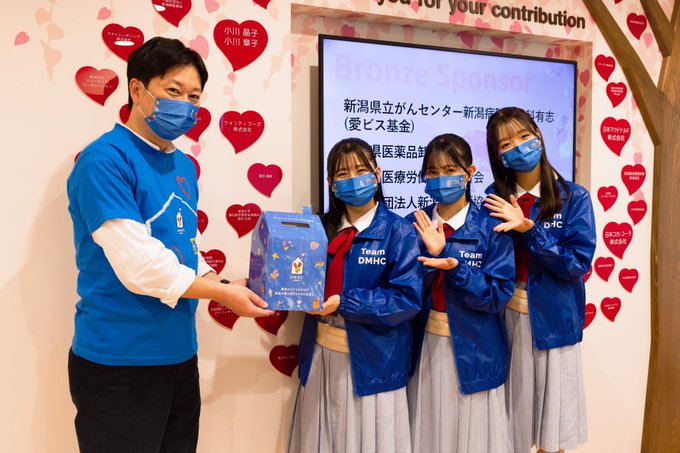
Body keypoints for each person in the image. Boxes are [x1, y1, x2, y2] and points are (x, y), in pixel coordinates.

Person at [66, 37, 273, 453]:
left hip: (179, 356)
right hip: (119, 361)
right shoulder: (104, 161)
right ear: (137, 89)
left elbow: (184, 246)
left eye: (194, 97)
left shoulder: (182, 165)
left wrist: (220, 280)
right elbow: (141, 266)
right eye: (173, 91)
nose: (185, 105)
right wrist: (220, 294)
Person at [288, 138, 422, 453]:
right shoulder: (318, 229)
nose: (354, 180)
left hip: (375, 363)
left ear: (377, 174)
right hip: (321, 356)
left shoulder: (399, 231)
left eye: (361, 171)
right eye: (343, 174)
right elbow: (298, 280)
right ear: (331, 185)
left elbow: (406, 300)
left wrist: (345, 303)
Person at [482, 107, 596, 453]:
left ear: (539, 136)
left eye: (523, 136)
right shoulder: (493, 198)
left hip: (555, 322)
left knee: (553, 433)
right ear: (498, 155)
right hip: (505, 321)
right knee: (507, 429)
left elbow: (577, 264)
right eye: (506, 143)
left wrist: (530, 231)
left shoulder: (574, 197)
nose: (518, 146)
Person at [405, 133, 514, 453]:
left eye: (450, 170)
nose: (441, 179)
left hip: (478, 349)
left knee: (475, 437)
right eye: (433, 172)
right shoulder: (412, 225)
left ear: (469, 173)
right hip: (426, 347)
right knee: (428, 434)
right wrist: (429, 262)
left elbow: (498, 294)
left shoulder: (491, 226)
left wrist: (454, 267)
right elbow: (402, 291)